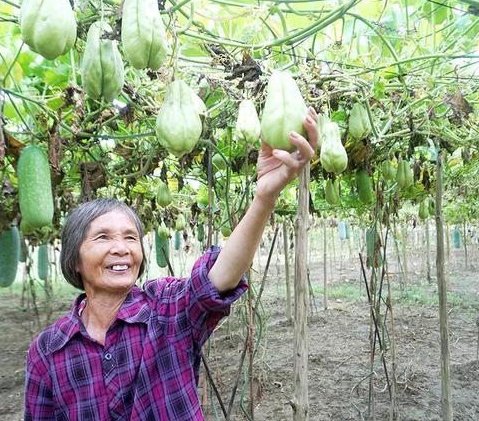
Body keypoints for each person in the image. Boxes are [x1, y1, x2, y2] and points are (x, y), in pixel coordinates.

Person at [24, 107, 319, 421]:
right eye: (103, 238)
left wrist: (264, 198)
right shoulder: (49, 351)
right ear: (75, 259)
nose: (121, 249)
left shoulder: (165, 309)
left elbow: (217, 280)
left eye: (130, 238)